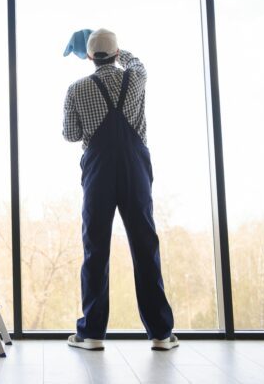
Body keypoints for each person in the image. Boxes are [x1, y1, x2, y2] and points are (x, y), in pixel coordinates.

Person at [62, 29, 178, 351]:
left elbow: (70, 134)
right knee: (145, 246)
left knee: (95, 249)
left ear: (88, 57)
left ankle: (93, 334)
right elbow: (136, 62)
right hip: (135, 171)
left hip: (98, 173)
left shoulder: (76, 88)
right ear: (115, 54)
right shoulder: (136, 78)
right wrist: (119, 51)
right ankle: (160, 334)